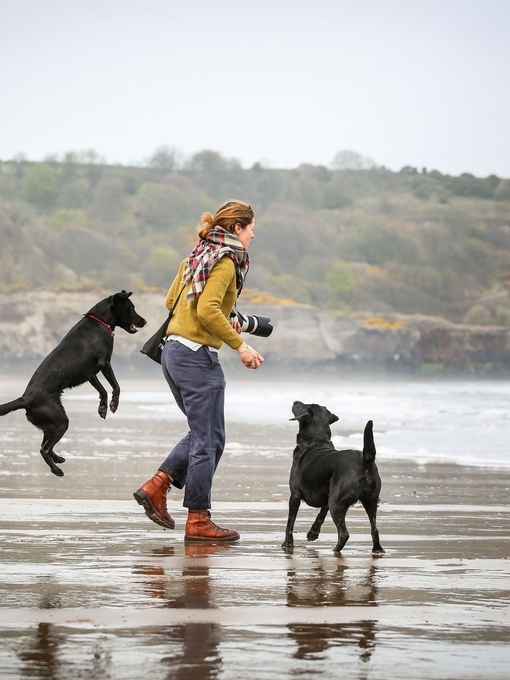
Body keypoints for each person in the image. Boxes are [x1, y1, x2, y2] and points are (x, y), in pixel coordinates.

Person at [134, 200, 264, 542]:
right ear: (237, 228)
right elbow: (207, 310)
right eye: (251, 227)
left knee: (206, 433)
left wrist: (224, 315)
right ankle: (198, 520)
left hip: (173, 352)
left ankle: (157, 486)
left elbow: (172, 301)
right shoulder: (224, 260)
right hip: (196, 357)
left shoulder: (197, 254)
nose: (253, 233)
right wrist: (241, 344)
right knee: (208, 440)